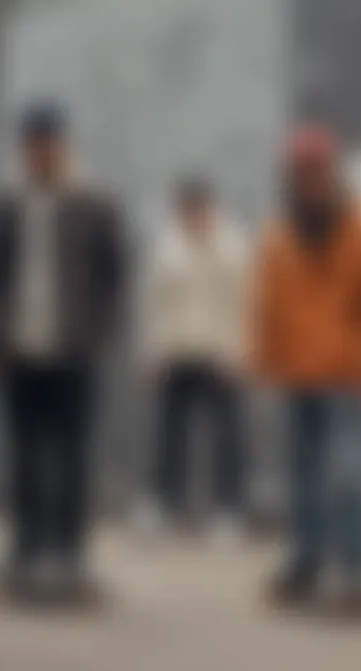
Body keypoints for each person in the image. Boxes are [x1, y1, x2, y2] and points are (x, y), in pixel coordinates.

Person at [252, 124, 361, 618]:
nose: (309, 180)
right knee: (303, 476)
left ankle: (356, 572)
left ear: (332, 172)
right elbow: (267, 303)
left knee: (348, 475)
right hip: (300, 372)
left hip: (350, 375)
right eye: (300, 171)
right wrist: (265, 357)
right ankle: (306, 563)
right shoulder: (280, 234)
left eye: (316, 170)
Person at [0, 100, 125, 599]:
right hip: (19, 349)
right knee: (22, 452)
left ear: (64, 145)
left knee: (71, 453)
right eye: (33, 145)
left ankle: (68, 552)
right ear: (24, 150)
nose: (42, 154)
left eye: (49, 143)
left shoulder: (93, 203)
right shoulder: (8, 204)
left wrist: (99, 333)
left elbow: (114, 274)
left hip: (72, 349)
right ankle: (25, 546)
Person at [136, 176, 249, 544]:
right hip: (177, 350)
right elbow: (154, 304)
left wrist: (238, 353)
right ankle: (165, 505)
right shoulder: (167, 248)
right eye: (185, 209)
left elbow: (244, 304)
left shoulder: (233, 247)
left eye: (197, 209)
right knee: (170, 436)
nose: (191, 217)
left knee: (226, 437)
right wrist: (152, 352)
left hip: (219, 352)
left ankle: (227, 511)